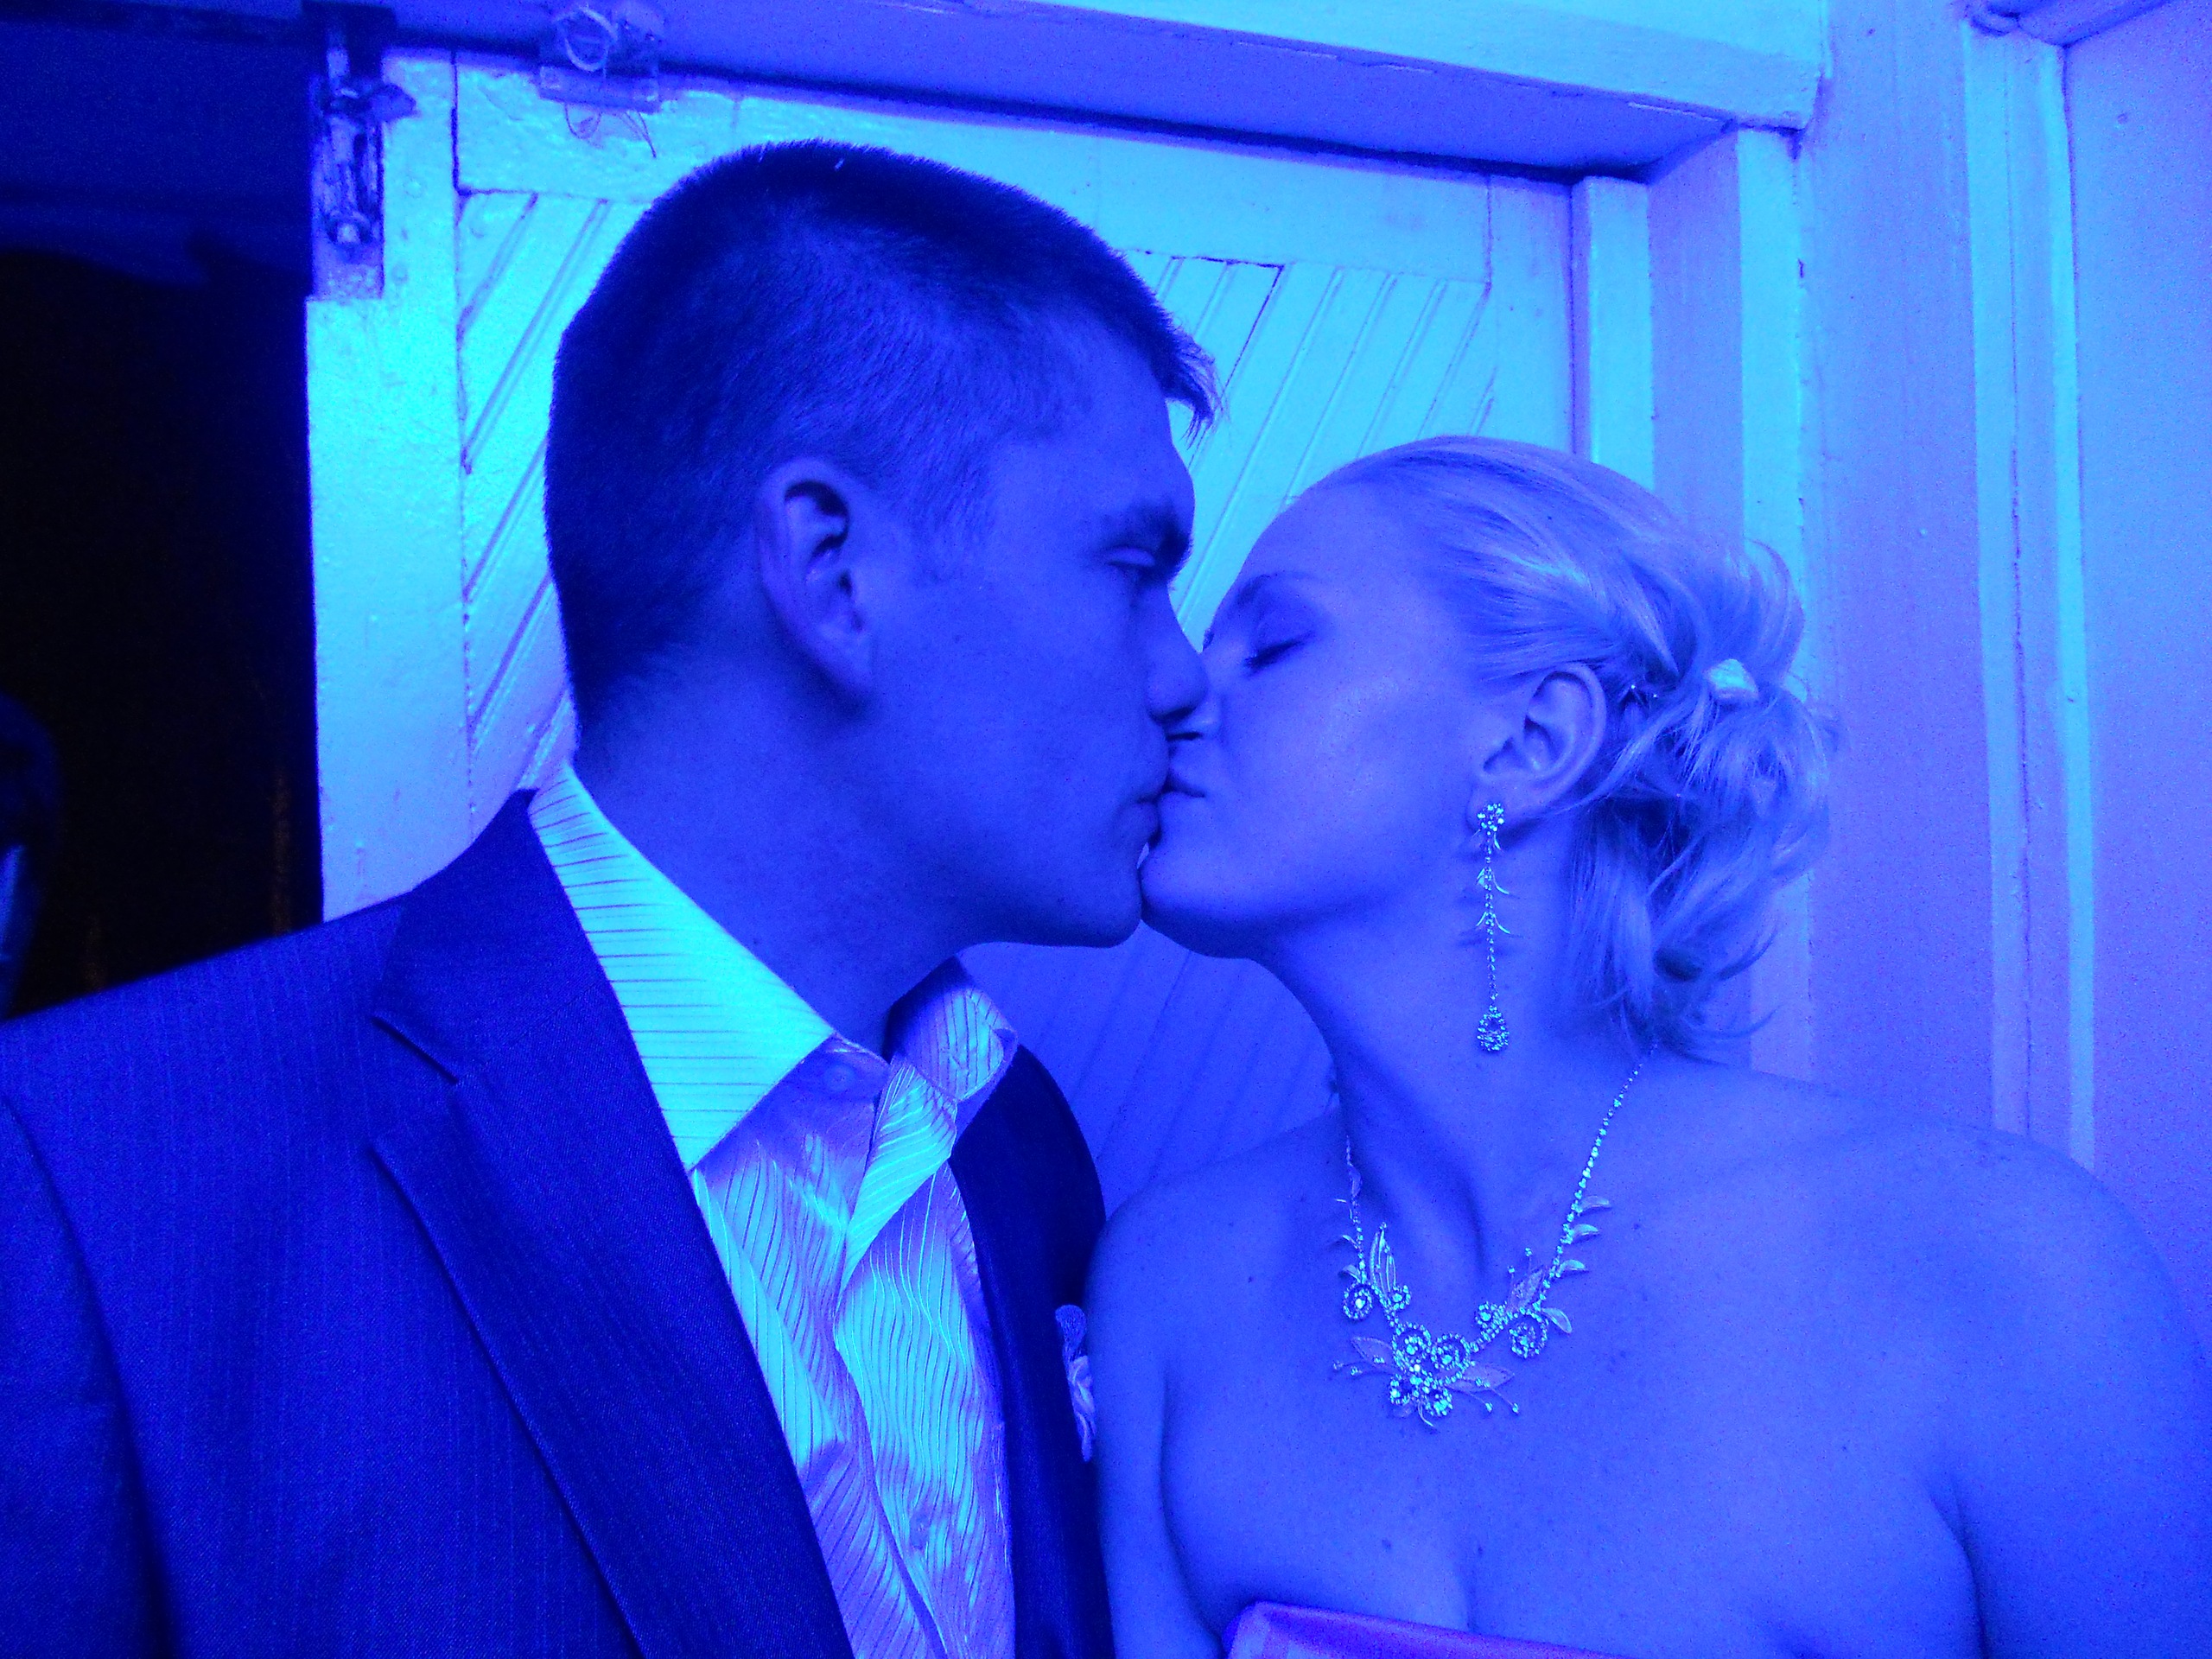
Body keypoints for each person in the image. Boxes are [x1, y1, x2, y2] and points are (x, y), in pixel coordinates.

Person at [0, 142, 1213, 1656]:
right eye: (1135, 567)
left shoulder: (1015, 1141)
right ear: (832, 569)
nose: (1184, 675)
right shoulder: (94, 1174)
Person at [1091, 436, 2212, 1659]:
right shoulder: (1166, 1287)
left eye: (1272, 645)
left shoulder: (2003, 1263)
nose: (1176, 694)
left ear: (1533, 740)